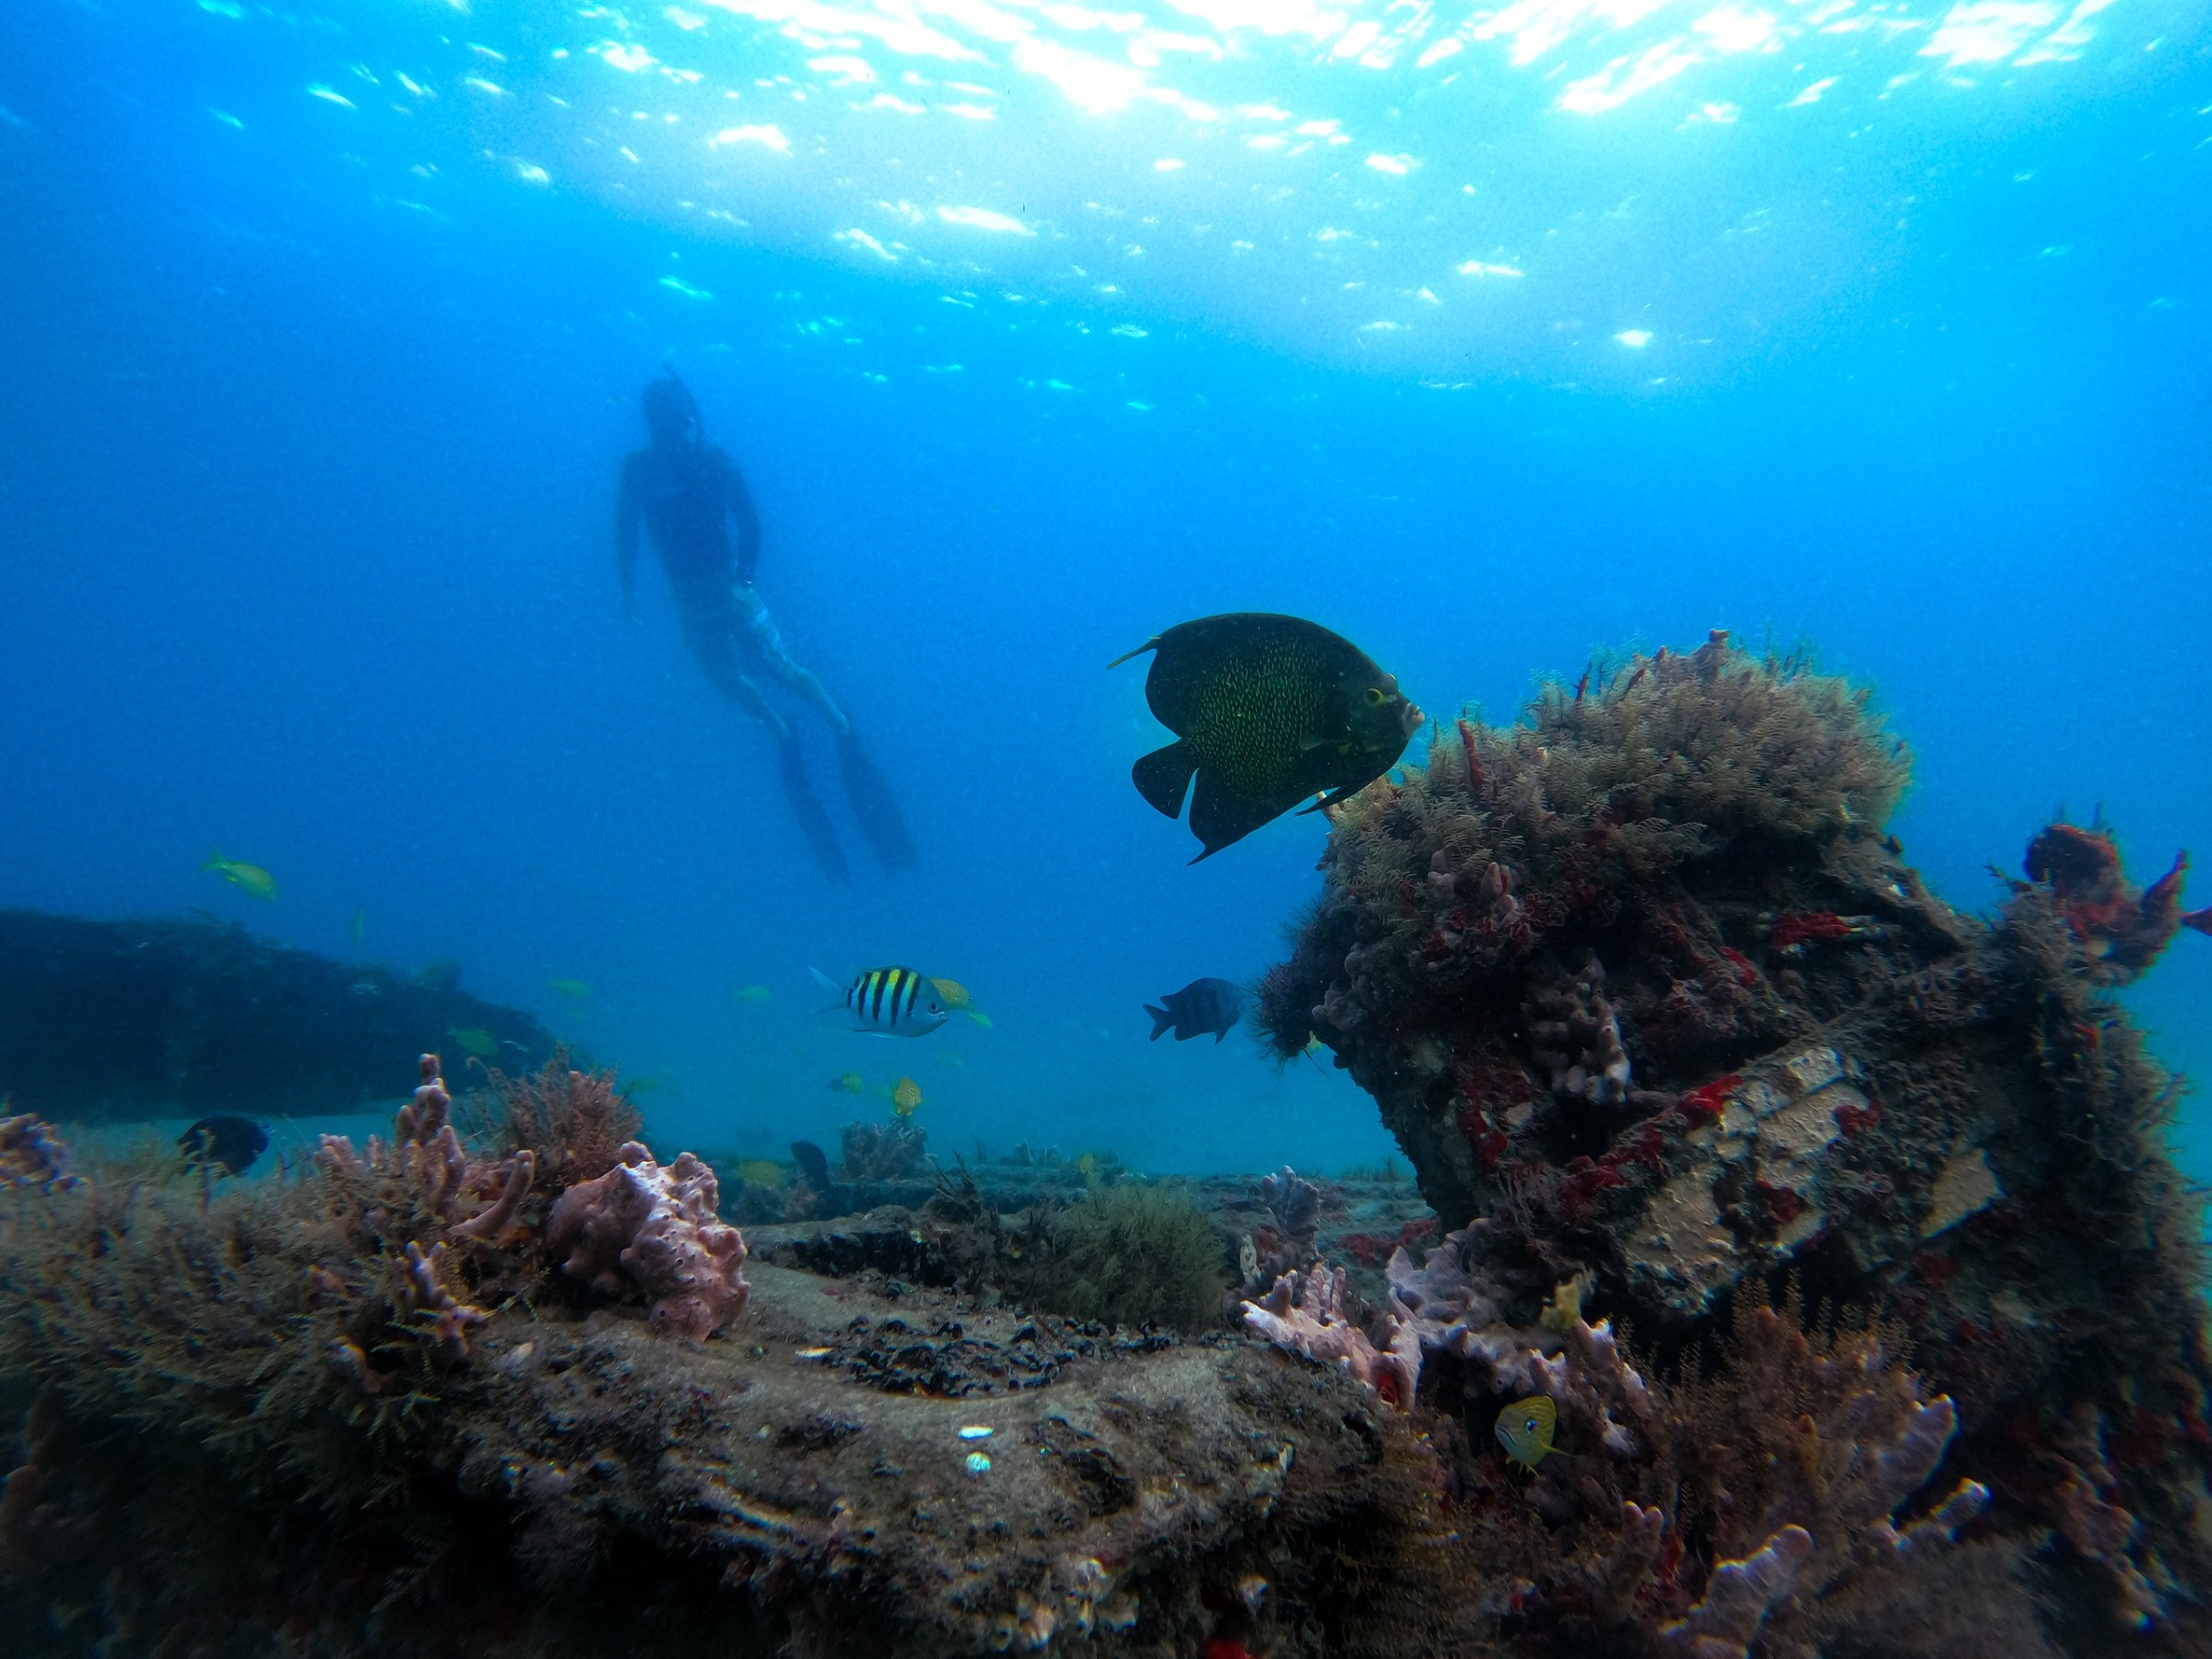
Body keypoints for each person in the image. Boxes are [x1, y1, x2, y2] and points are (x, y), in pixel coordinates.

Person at [617, 371, 915, 879]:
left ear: (683, 419)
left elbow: (746, 524)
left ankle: (825, 725)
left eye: (673, 420)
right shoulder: (656, 469)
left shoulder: (698, 464)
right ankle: (798, 728)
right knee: (744, 677)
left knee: (767, 669)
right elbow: (630, 531)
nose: (669, 430)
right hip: (703, 595)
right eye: (661, 421)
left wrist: (743, 580)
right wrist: (632, 586)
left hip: (721, 590)